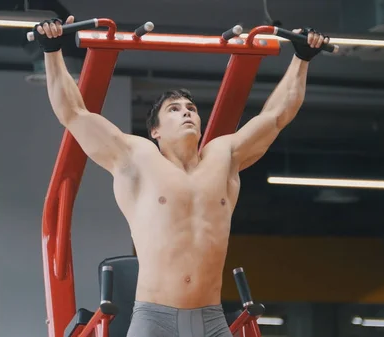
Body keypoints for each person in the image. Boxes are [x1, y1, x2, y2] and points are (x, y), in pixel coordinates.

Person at [32, 15, 329, 337]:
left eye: (190, 108)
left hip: (212, 320)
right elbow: (73, 113)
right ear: (155, 130)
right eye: (174, 109)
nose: (186, 111)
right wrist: (52, 50)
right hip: (154, 320)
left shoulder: (223, 156)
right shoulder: (137, 157)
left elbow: (276, 116)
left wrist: (301, 58)